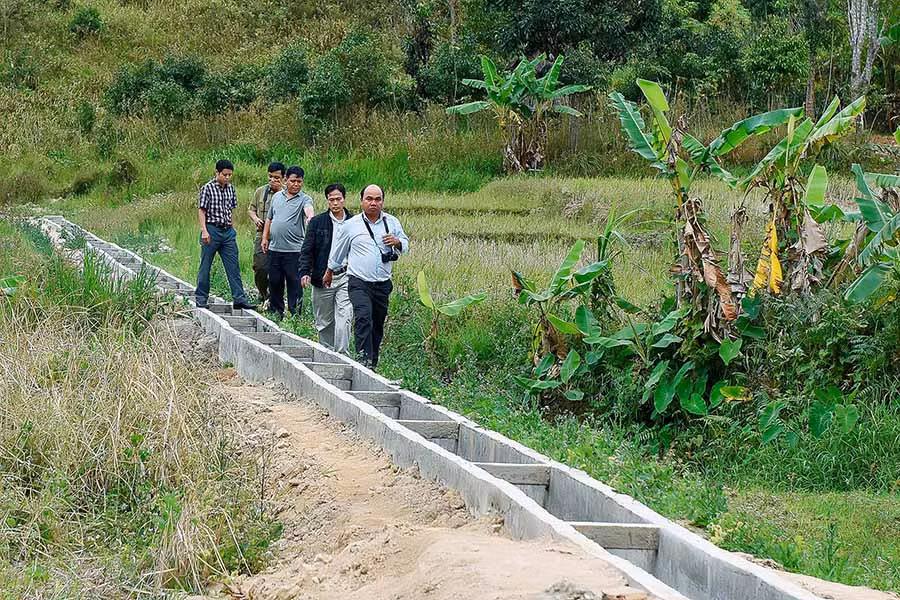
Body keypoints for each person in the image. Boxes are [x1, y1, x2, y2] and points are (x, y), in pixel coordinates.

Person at [325, 184, 408, 368]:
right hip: (358, 281)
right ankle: (363, 362)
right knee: (363, 318)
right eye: (369, 199)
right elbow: (338, 252)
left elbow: (406, 244)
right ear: (361, 201)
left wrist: (397, 242)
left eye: (377, 199)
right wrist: (330, 271)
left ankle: (372, 364)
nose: (373, 203)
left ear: (383, 202)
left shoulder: (392, 222)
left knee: (377, 324)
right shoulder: (351, 225)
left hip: (383, 283)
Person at [299, 183, 353, 353]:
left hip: (346, 276)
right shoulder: (317, 223)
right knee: (324, 321)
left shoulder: (354, 222)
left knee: (344, 317)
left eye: (338, 199)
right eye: (332, 200)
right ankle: (327, 353)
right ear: (327, 201)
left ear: (344, 199)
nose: (335, 203)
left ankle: (342, 354)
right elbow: (307, 249)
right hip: (322, 277)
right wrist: (305, 272)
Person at [195, 159, 256, 310]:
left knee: (233, 266)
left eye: (230, 175)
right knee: (205, 265)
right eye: (225, 174)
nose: (227, 177)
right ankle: (201, 297)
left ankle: (239, 298)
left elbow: (231, 210)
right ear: (217, 173)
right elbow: (202, 210)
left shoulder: (230, 189)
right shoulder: (207, 188)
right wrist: (204, 230)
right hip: (212, 228)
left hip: (227, 230)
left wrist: (232, 228)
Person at [261, 165, 313, 319]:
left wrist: (310, 217)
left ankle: (295, 314)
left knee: (294, 283)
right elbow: (270, 218)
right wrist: (265, 237)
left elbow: (308, 210)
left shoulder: (305, 199)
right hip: (275, 248)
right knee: (275, 281)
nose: (296, 184)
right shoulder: (277, 197)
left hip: (294, 250)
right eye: (293, 181)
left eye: (299, 181)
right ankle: (276, 313)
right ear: (285, 180)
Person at [247, 162, 285, 305]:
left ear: (283, 178)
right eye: (270, 177)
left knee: (278, 270)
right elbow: (251, 209)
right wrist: (256, 219)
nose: (272, 180)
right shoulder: (260, 191)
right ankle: (263, 294)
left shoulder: (287, 193)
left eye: (276, 177)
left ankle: (275, 299)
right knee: (260, 267)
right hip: (261, 233)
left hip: (280, 236)